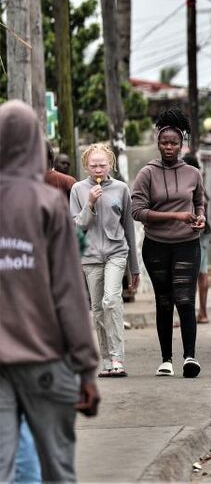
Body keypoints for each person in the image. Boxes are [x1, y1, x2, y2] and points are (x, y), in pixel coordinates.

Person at [0, 100, 100, 482]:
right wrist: (87, 369)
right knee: (57, 469)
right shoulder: (48, 204)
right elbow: (69, 293)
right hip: (44, 359)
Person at [131, 108, 207, 378]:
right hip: (156, 246)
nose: (170, 147)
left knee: (185, 299)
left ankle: (190, 357)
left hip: (187, 243)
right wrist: (176, 215)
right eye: (165, 142)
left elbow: (199, 201)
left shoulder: (193, 173)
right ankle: (166, 360)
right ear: (158, 143)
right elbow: (137, 211)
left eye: (174, 143)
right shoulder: (146, 174)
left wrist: (200, 217)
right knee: (164, 301)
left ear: (182, 144)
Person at [71, 143, 140, 377]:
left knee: (111, 300)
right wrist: (89, 203)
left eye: (102, 164)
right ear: (86, 166)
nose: (98, 169)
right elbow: (77, 227)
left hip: (116, 252)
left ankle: (118, 358)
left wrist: (134, 267)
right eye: (93, 165)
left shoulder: (121, 188)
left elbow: (129, 228)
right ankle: (107, 361)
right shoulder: (78, 189)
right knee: (98, 311)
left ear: (110, 164)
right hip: (90, 257)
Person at [182, 154, 211, 324]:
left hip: (196, 233)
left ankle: (198, 313)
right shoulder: (198, 181)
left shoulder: (191, 181)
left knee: (195, 274)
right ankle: (201, 312)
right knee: (201, 273)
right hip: (203, 232)